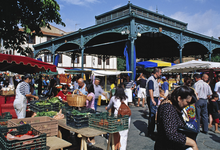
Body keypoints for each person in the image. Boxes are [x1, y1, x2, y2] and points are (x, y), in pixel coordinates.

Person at [105, 85, 130, 150]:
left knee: (118, 133)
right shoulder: (126, 98)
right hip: (127, 117)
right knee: (124, 135)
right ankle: (122, 148)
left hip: (118, 117)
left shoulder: (114, 98)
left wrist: (107, 108)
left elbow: (109, 106)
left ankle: (117, 147)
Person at [146, 68, 161, 138]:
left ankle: (151, 130)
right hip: (152, 98)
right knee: (152, 114)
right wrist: (152, 99)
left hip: (154, 98)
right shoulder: (151, 80)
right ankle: (150, 132)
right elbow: (150, 90)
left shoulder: (154, 79)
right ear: (157, 73)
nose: (160, 74)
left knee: (153, 114)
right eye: (160, 72)